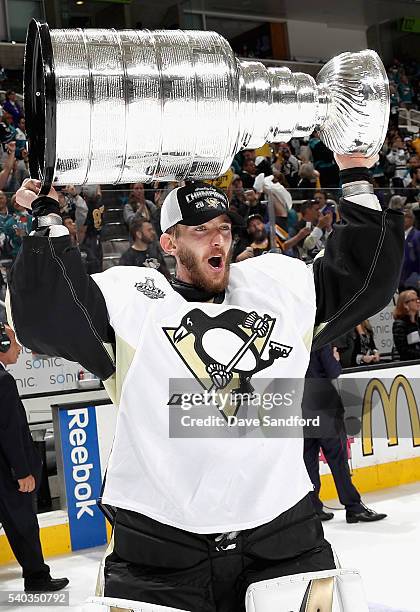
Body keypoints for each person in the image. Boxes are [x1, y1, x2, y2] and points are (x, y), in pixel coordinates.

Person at [8, 153, 403, 611]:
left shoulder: (274, 287)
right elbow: (44, 313)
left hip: (281, 535)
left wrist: (354, 173)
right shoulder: (133, 301)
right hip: (161, 545)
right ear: (169, 243)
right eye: (200, 230)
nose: (218, 240)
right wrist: (47, 218)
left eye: (224, 229)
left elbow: (365, 277)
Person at [0, 324, 69, 592]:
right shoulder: (3, 381)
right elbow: (9, 432)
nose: (19, 349)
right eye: (14, 342)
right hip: (8, 473)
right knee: (23, 525)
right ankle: (37, 577)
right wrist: (22, 471)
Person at [303, 344, 387, 523]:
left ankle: (313, 509)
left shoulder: (294, 338)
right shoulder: (321, 340)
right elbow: (333, 371)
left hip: (300, 408)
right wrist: (335, 358)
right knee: (338, 459)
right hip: (325, 407)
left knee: (308, 460)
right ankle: (353, 507)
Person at [392, 289, 420, 361]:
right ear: (405, 304)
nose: (418, 301)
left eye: (417, 299)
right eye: (413, 300)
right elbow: (403, 350)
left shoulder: (417, 322)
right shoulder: (399, 324)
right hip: (409, 363)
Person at [399, 208, 420, 290]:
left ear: (412, 219)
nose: (403, 220)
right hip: (400, 279)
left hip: (414, 278)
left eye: (406, 217)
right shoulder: (397, 236)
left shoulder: (417, 236)